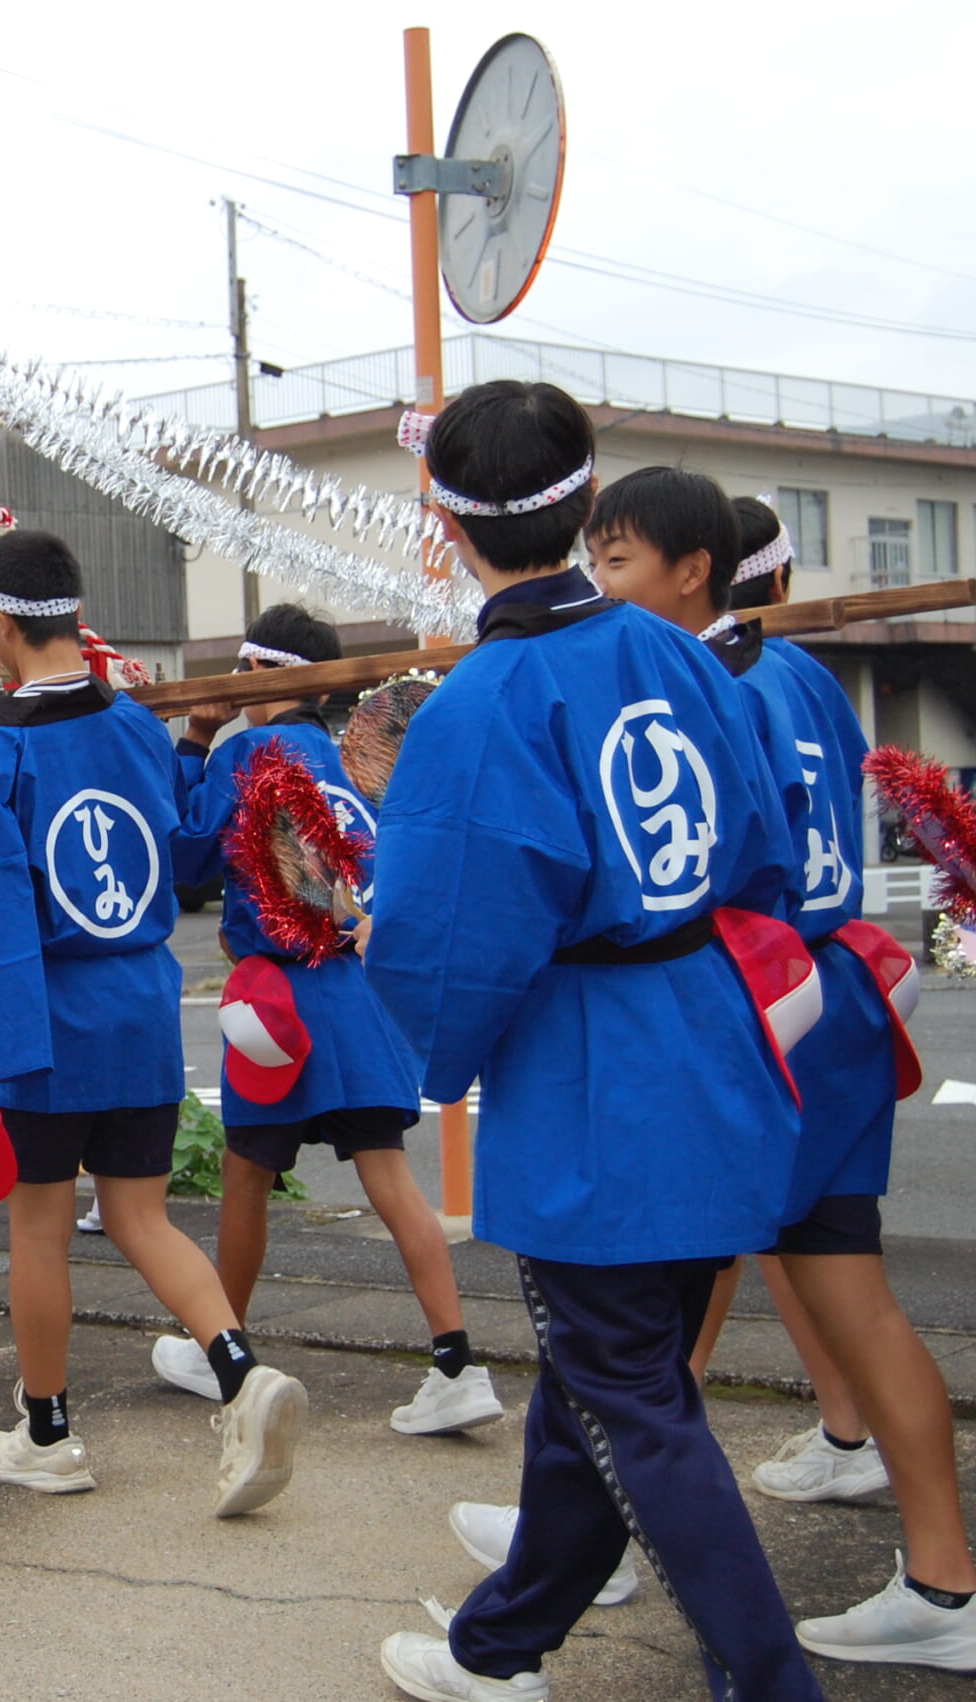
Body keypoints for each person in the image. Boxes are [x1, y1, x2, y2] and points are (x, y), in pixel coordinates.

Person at [360, 381, 823, 1702]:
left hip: (594, 1075)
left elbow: (444, 939)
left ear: (446, 522)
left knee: (630, 1394)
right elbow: (764, 844)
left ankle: (771, 1676)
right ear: (582, 501)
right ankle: (498, 1650)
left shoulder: (477, 703)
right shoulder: (678, 646)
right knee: (608, 1380)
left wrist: (427, 1054)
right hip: (712, 1035)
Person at [587, 470, 976, 1670]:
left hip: (755, 1012)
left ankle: (598, 1545)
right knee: (841, 1294)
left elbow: (697, 877)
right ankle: (946, 1585)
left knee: (645, 1305)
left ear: (693, 569)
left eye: (616, 561)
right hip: (830, 1000)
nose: (600, 585)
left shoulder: (698, 685)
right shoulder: (804, 674)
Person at [0, 528, 309, 1518]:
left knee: (38, 1226)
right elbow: (192, 854)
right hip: (141, 1008)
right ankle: (238, 1370)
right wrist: (197, 743)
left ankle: (50, 1432)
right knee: (142, 1217)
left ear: (2, 625)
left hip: (48, 1017)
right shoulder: (139, 726)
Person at [165, 603, 500, 1439]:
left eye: (243, 672)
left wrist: (194, 744)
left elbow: (190, 862)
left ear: (262, 675)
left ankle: (225, 1348)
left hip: (280, 996)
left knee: (248, 1173)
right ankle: (458, 1361)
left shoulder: (248, 750)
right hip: (364, 988)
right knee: (390, 1177)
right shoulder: (361, 754)